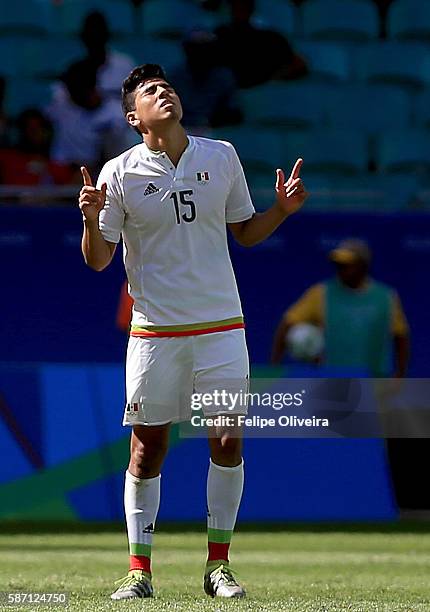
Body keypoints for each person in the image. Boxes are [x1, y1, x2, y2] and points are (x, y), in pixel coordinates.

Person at [78, 63, 308, 600]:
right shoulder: (117, 172)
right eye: (151, 92)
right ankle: (139, 571)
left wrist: (282, 209)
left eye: (168, 86)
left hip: (222, 326)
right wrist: (90, 221)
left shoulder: (221, 155)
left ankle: (218, 565)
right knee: (147, 449)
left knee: (227, 438)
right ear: (134, 117)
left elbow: (246, 234)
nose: (165, 93)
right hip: (155, 333)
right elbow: (97, 261)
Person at [271, 238, 410, 377]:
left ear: (363, 265)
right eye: (338, 264)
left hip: (374, 381)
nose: (341, 269)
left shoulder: (385, 297)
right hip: (333, 380)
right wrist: (275, 367)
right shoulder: (321, 293)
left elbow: (400, 336)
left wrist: (400, 375)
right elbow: (287, 323)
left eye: (347, 265)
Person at [215, 0, 308, 88]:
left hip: (264, 96)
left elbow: (300, 65)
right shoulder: (219, 37)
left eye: (243, 6)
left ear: (251, 8)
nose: (240, 11)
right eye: (237, 6)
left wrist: (274, 80)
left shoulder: (272, 39)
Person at [170, 30, 242, 133]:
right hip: (182, 132)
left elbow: (234, 112)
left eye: (206, 48)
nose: (201, 53)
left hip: (218, 132)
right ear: (187, 50)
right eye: (196, 49)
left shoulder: (224, 77)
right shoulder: (175, 78)